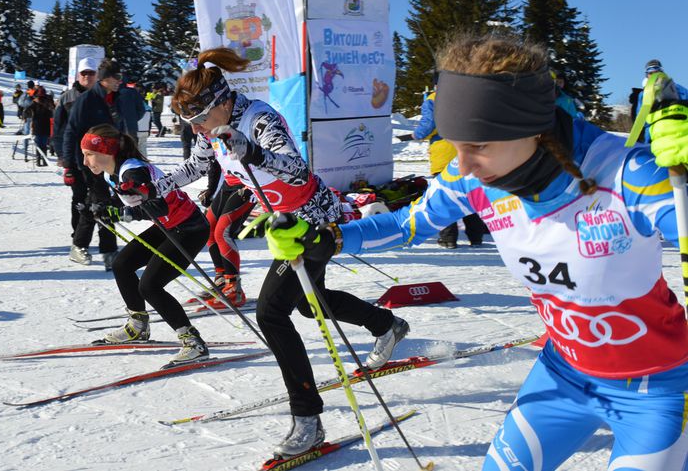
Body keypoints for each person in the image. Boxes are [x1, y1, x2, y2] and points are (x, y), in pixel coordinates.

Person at [266, 34, 688, 469]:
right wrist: (328, 239)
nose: (462, 165)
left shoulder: (628, 175)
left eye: (479, 146)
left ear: (533, 129)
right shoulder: (472, 179)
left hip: (656, 391)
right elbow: (407, 223)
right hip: (562, 376)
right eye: (456, 143)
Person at [154, 47, 409, 457]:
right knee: (309, 304)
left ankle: (308, 419)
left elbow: (296, 169)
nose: (199, 128)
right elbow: (196, 167)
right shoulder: (209, 130)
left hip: (311, 219)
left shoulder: (259, 119)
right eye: (192, 123)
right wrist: (159, 185)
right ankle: (386, 325)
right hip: (285, 225)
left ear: (221, 101)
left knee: (271, 313)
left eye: (201, 118)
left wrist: (252, 151)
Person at [81, 123, 211, 365]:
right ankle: (137, 325)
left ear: (107, 152)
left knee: (150, 286)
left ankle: (193, 342)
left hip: (189, 229)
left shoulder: (133, 172)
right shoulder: (117, 171)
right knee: (123, 264)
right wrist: (100, 210)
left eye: (89, 155)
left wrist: (119, 213)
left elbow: (157, 206)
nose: (87, 162)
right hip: (170, 225)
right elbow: (127, 200)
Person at [401, 78, 488, 248]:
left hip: (445, 152)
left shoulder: (433, 99)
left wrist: (417, 135)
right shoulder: (466, 96)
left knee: (445, 196)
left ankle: (448, 238)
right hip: (468, 149)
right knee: (469, 194)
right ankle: (476, 236)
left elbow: (429, 125)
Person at [61, 58, 124, 269]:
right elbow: (71, 131)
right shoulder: (87, 100)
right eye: (116, 77)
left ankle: (80, 247)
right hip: (89, 162)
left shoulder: (112, 99)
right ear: (105, 79)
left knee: (96, 204)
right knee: (102, 203)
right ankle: (108, 252)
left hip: (108, 161)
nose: (119, 81)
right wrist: (69, 165)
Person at [196, 159, 254, 307]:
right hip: (228, 183)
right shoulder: (207, 137)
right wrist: (211, 189)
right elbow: (213, 162)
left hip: (248, 184)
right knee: (207, 229)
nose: (198, 133)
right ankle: (222, 280)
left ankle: (234, 289)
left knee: (223, 232)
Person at [634, 59, 688, 143]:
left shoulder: (678, 89)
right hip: (656, 134)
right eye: (651, 73)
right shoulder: (644, 94)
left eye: (656, 72)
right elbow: (641, 118)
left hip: (677, 130)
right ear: (647, 75)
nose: (654, 76)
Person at [26, 87, 54, 167]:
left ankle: (39, 161)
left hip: (37, 125)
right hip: (46, 126)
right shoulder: (48, 102)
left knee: (38, 144)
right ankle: (44, 161)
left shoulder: (35, 103)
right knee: (44, 144)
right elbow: (52, 111)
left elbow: (26, 112)